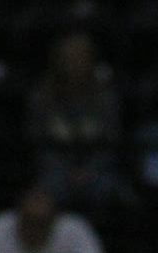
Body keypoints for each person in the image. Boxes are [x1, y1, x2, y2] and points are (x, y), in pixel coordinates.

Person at [26, 31, 124, 209]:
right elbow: (39, 142)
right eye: (69, 58)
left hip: (98, 169)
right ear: (58, 61)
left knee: (107, 191)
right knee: (49, 191)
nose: (75, 64)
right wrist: (66, 173)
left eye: (80, 58)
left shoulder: (105, 97)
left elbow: (111, 141)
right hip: (55, 170)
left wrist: (90, 170)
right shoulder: (42, 97)